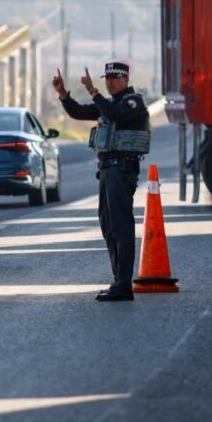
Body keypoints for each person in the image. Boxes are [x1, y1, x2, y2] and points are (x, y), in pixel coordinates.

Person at [52, 61, 150, 302]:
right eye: (107, 78)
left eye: (115, 78)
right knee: (108, 228)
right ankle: (118, 282)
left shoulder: (133, 102)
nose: (110, 82)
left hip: (121, 170)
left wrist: (93, 91)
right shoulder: (107, 104)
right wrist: (63, 94)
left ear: (126, 80)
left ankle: (124, 285)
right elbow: (79, 112)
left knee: (121, 227)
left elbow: (116, 114)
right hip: (107, 170)